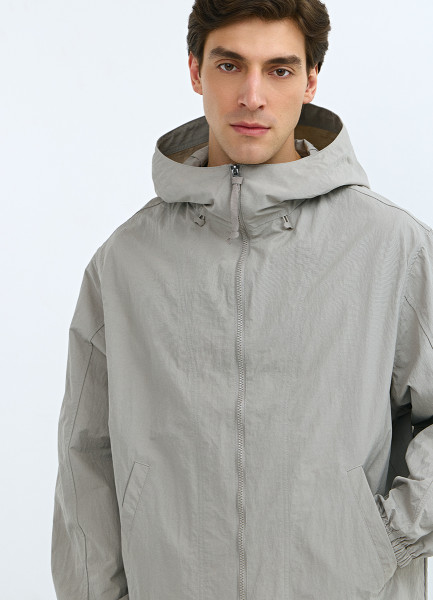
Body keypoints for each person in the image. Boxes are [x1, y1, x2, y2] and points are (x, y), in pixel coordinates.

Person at [50, 1, 433, 599]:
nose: (252, 96)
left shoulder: (392, 246)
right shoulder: (125, 262)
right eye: (230, 66)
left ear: (311, 80)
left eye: (279, 70)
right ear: (195, 71)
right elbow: (86, 459)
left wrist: (382, 538)